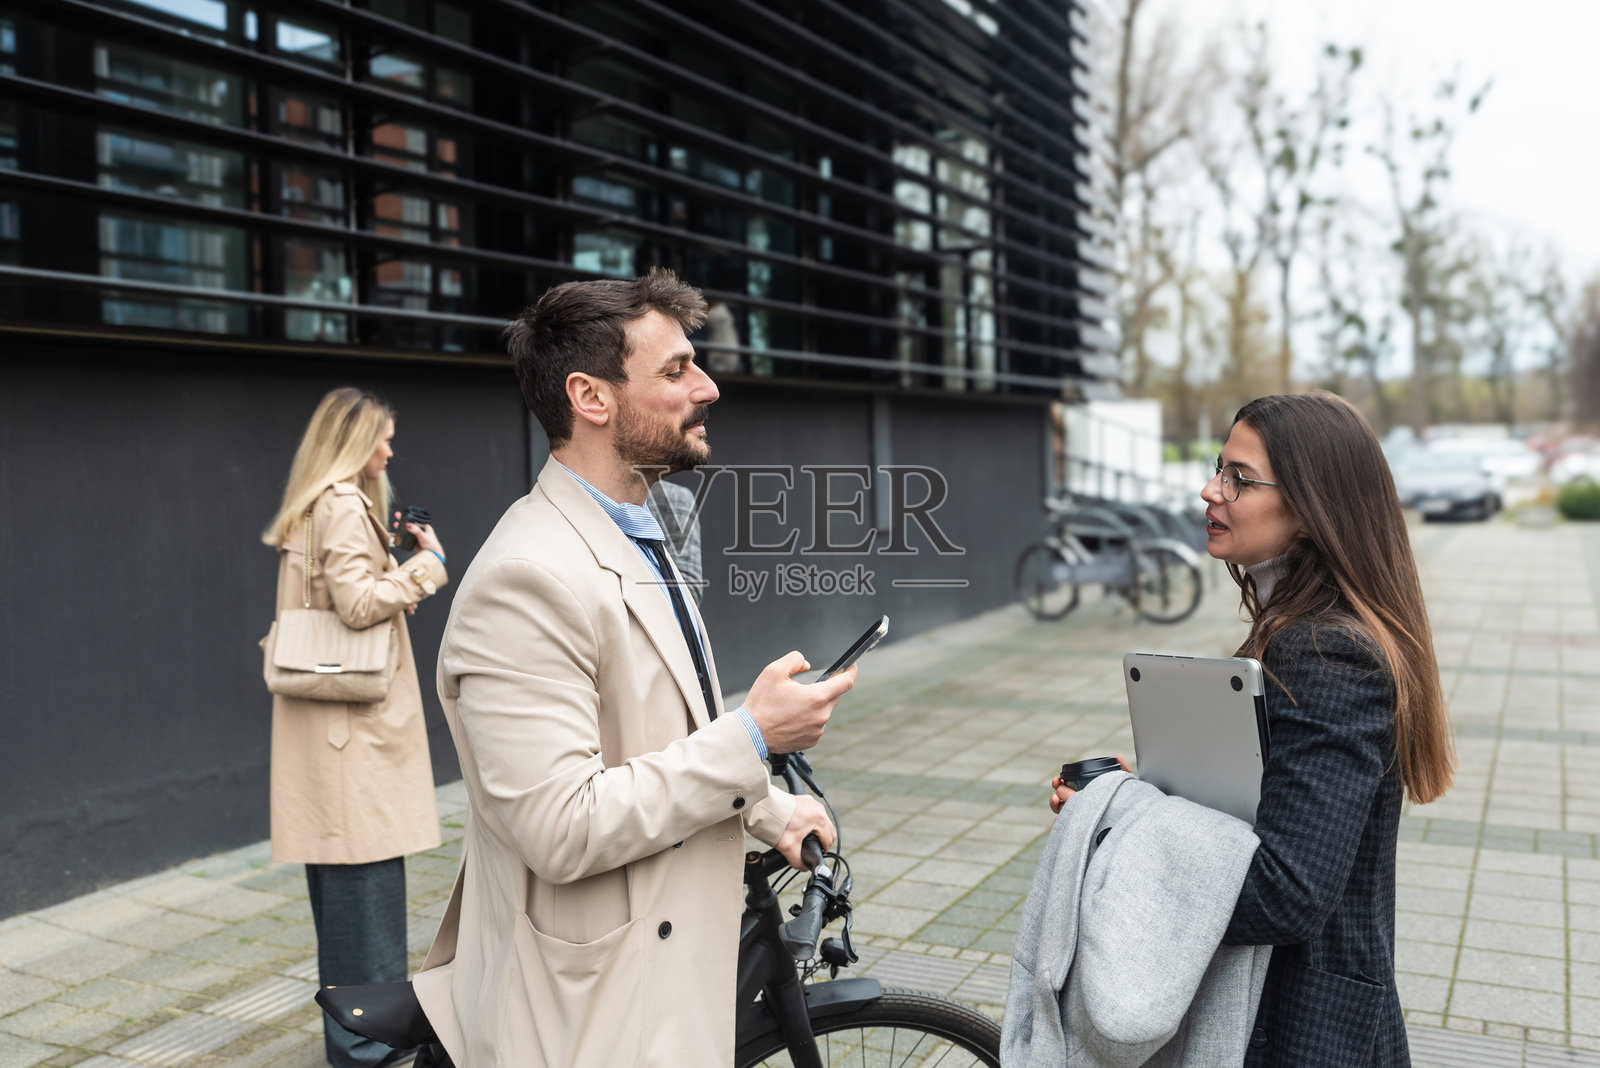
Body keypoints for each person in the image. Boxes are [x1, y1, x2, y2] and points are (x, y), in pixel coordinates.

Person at [413, 268, 852, 1068]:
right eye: (677, 369)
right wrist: (754, 738)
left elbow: (658, 737)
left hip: (653, 982)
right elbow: (562, 824)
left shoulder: (638, 528)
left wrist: (766, 809)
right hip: (585, 1016)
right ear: (592, 397)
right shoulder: (527, 577)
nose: (708, 387)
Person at [1051, 392, 1454, 1067]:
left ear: (1309, 505)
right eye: (1218, 469)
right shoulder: (1299, 629)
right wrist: (1148, 787)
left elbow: (1286, 889)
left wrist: (1118, 835)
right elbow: (1271, 808)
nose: (1210, 490)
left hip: (1303, 1027)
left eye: (1239, 478)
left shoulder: (1327, 654)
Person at [262, 387, 449, 1068]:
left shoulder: (320, 504)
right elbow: (359, 602)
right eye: (382, 438)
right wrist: (427, 566)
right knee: (364, 908)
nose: (389, 451)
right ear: (352, 442)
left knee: (347, 908)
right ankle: (372, 1054)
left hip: (334, 737)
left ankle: (356, 1046)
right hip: (353, 741)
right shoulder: (342, 503)